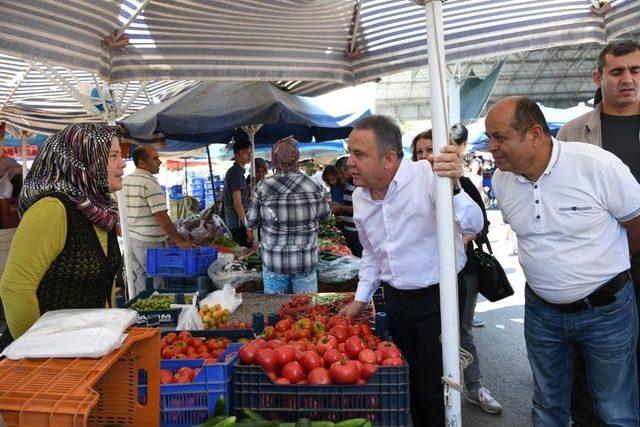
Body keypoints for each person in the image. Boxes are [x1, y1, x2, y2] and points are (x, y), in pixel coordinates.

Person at [487, 96, 640, 426]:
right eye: (489, 138)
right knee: (547, 407)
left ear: (535, 134)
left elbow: (637, 220)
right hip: (542, 313)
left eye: (499, 137)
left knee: (616, 410)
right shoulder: (502, 180)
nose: (491, 147)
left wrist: (610, 262)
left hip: (607, 311)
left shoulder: (596, 165)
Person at [341, 115, 483, 426]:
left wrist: (455, 185)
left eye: (359, 155)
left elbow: (474, 224)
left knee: (434, 385)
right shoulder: (359, 197)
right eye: (349, 152)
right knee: (406, 376)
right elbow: (372, 252)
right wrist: (361, 298)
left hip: (439, 296)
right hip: (396, 298)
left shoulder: (430, 175)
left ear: (389, 158)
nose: (350, 162)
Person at [557, 39, 640, 426]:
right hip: (597, 273)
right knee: (590, 369)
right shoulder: (573, 133)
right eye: (617, 71)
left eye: (636, 70)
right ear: (599, 76)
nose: (628, 79)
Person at [0, 123, 126, 350]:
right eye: (113, 156)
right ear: (83, 162)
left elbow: (103, 288)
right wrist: (37, 350)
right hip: (44, 362)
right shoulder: (52, 209)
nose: (122, 163)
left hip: (84, 352)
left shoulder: (101, 213)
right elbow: (15, 289)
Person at [411, 127, 502, 415]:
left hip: (461, 272)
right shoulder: (410, 187)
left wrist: (459, 238)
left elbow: (480, 224)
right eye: (420, 151)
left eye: (430, 150)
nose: (425, 156)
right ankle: (435, 393)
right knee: (429, 338)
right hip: (425, 277)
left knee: (460, 331)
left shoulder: (460, 182)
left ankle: (475, 388)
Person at [247, 136, 330, 294]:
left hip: (274, 261)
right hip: (305, 260)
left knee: (275, 312)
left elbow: (250, 223)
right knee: (305, 311)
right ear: (297, 157)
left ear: (275, 159)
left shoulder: (263, 187)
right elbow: (325, 217)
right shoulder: (316, 186)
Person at [122, 145, 193, 295]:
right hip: (150, 244)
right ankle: (157, 316)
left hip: (132, 241)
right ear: (142, 163)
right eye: (155, 158)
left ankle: (143, 315)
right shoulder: (149, 184)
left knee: (141, 283)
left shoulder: (125, 181)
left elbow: (116, 211)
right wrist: (179, 240)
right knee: (156, 285)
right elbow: (161, 216)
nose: (159, 162)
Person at [330, 156, 363, 258]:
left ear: (348, 169)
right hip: (349, 228)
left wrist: (340, 208)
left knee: (359, 257)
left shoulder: (358, 184)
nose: (340, 175)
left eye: (341, 172)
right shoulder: (349, 184)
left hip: (355, 231)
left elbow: (360, 208)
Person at [224, 139, 253, 247]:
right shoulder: (236, 173)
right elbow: (237, 203)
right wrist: (248, 228)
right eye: (245, 152)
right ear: (236, 154)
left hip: (236, 224)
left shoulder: (236, 172)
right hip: (239, 225)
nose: (249, 155)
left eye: (250, 152)